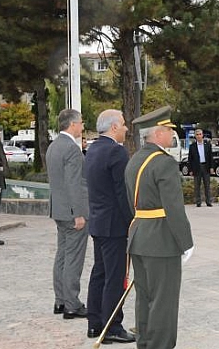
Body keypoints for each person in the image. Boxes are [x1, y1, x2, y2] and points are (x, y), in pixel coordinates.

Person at [124, 106, 194, 349]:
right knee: (163, 301)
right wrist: (186, 243)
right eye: (168, 130)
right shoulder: (164, 163)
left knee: (144, 298)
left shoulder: (135, 159)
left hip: (139, 237)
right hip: (162, 241)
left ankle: (144, 343)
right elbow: (174, 208)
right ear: (158, 133)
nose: (171, 135)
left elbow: (130, 201)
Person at [83, 110, 135, 343]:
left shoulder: (92, 149)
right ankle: (112, 326)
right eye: (123, 125)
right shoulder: (116, 152)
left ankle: (95, 324)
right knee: (114, 277)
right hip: (114, 226)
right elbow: (122, 193)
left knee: (99, 273)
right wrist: (132, 221)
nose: (126, 129)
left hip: (98, 222)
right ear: (114, 127)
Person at [46, 109, 90, 319]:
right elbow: (74, 184)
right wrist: (79, 213)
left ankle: (60, 301)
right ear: (72, 125)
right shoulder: (71, 149)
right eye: (81, 123)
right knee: (73, 258)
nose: (82, 127)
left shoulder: (53, 146)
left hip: (59, 209)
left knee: (62, 255)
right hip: (72, 212)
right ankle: (72, 304)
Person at [188, 129, 213, 207]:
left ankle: (208, 201)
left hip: (205, 166)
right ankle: (198, 202)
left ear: (202, 135)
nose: (199, 136)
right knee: (197, 186)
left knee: (207, 185)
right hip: (197, 167)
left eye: (200, 134)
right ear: (195, 136)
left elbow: (210, 157)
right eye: (197, 134)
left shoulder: (207, 145)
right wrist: (190, 169)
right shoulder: (192, 146)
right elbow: (190, 159)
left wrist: (212, 167)